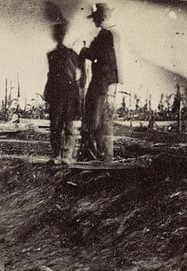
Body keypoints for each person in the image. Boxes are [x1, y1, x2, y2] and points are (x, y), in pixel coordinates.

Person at [80, 2, 119, 162]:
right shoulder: (109, 34)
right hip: (104, 81)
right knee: (101, 119)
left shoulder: (105, 35)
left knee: (93, 118)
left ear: (101, 17)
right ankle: (103, 155)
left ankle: (93, 155)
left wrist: (84, 51)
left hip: (100, 81)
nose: (94, 21)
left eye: (95, 17)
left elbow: (102, 57)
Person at [44, 22, 81, 165]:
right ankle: (56, 156)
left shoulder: (72, 54)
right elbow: (50, 75)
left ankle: (67, 155)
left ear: (63, 35)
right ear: (55, 36)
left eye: (61, 33)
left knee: (70, 125)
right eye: (57, 34)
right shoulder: (51, 55)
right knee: (55, 126)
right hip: (56, 94)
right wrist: (47, 93)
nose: (59, 36)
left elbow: (78, 76)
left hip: (70, 94)